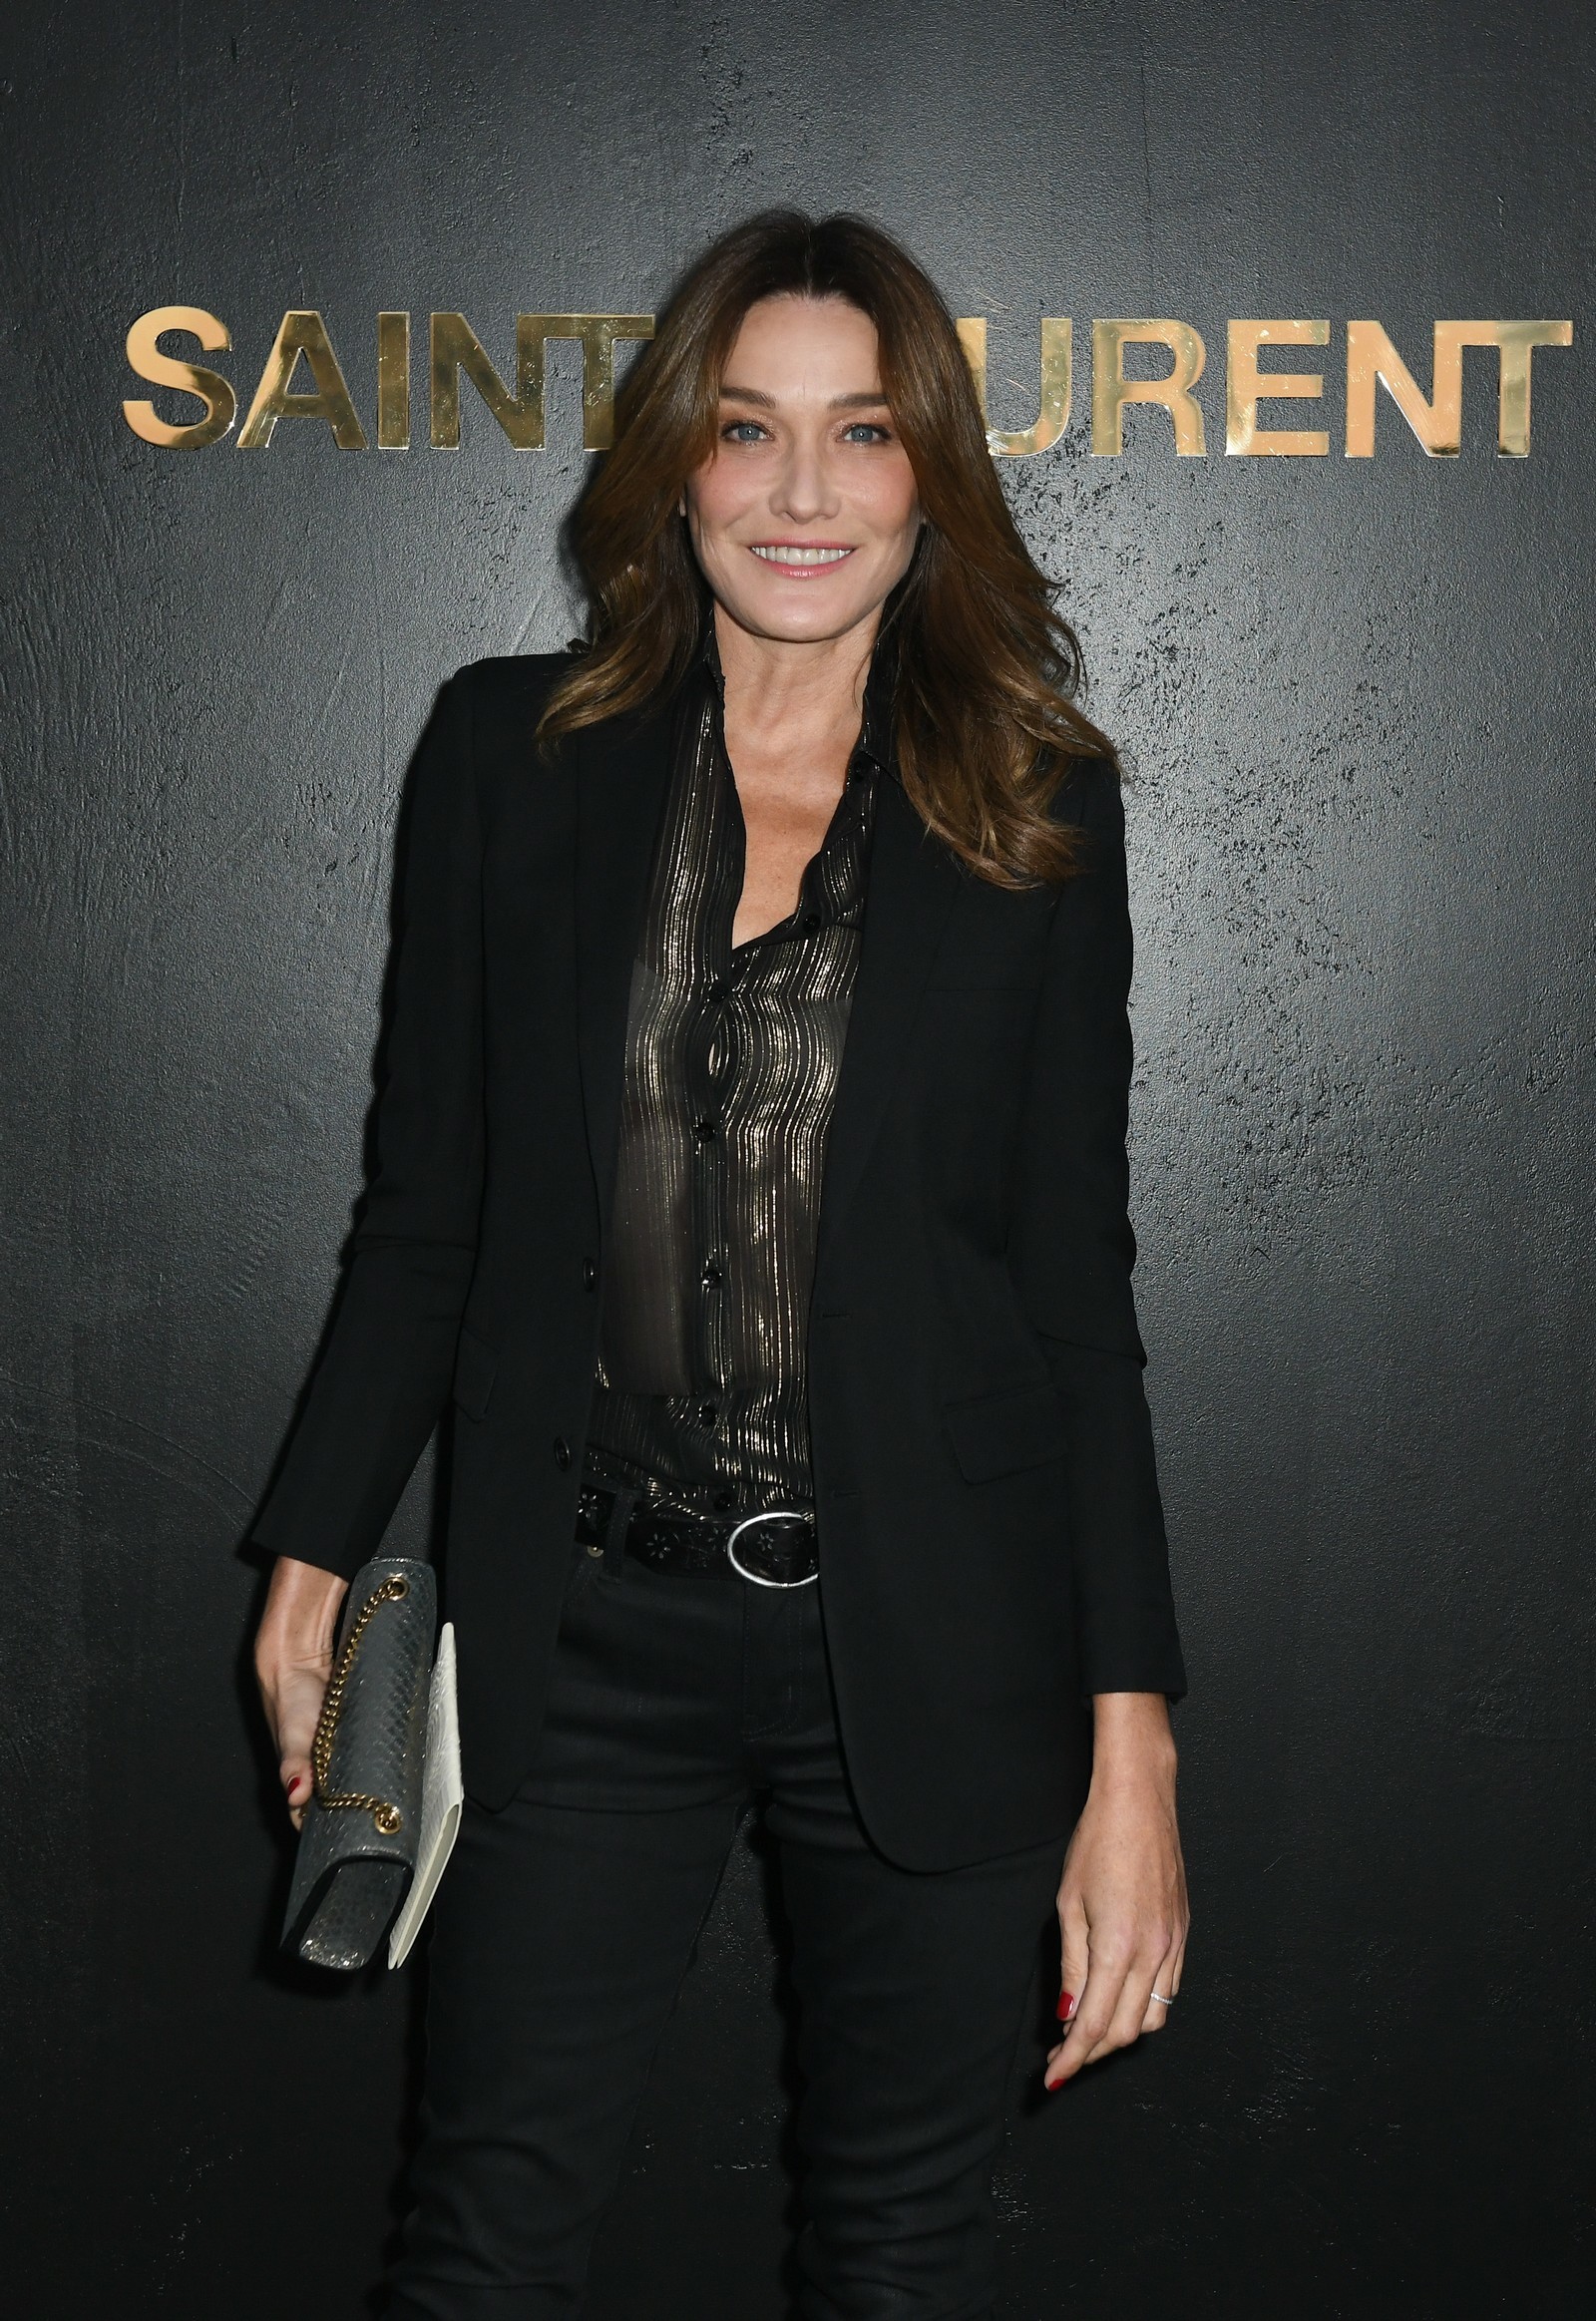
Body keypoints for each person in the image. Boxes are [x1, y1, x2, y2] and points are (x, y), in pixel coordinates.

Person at [252, 208, 1189, 2321]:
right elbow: (426, 1208)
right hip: (584, 1631)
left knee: (898, 2266)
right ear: (673, 464)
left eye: (861, 432)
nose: (799, 490)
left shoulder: (1037, 804)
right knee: (482, 2246)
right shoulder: (506, 757)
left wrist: (1131, 1749)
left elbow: (1075, 1299)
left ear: (928, 478)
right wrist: (310, 1557)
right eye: (748, 428)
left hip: (939, 1633)